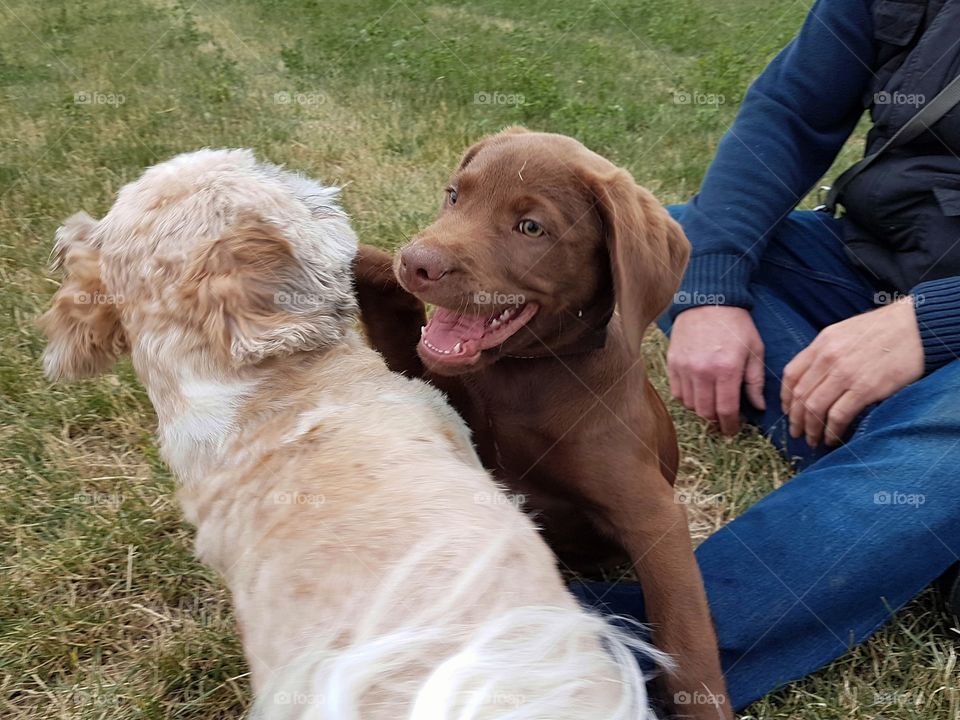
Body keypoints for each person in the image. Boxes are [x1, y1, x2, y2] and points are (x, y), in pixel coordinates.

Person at [572, 0, 960, 711]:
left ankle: (604, 652)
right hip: (864, 270)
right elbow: (789, 114)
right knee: (675, 242)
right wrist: (712, 290)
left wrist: (933, 323)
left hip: (935, 314)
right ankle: (921, 499)